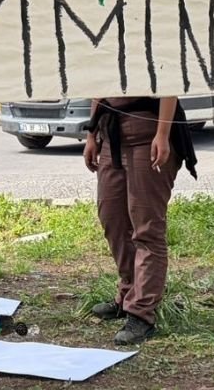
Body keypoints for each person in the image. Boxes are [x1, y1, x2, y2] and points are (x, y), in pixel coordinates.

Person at [83, 96, 196, 345]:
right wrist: (91, 135)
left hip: (149, 131)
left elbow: (169, 84)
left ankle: (142, 313)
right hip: (111, 133)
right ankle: (128, 293)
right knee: (112, 219)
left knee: (146, 227)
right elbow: (96, 85)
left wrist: (163, 133)